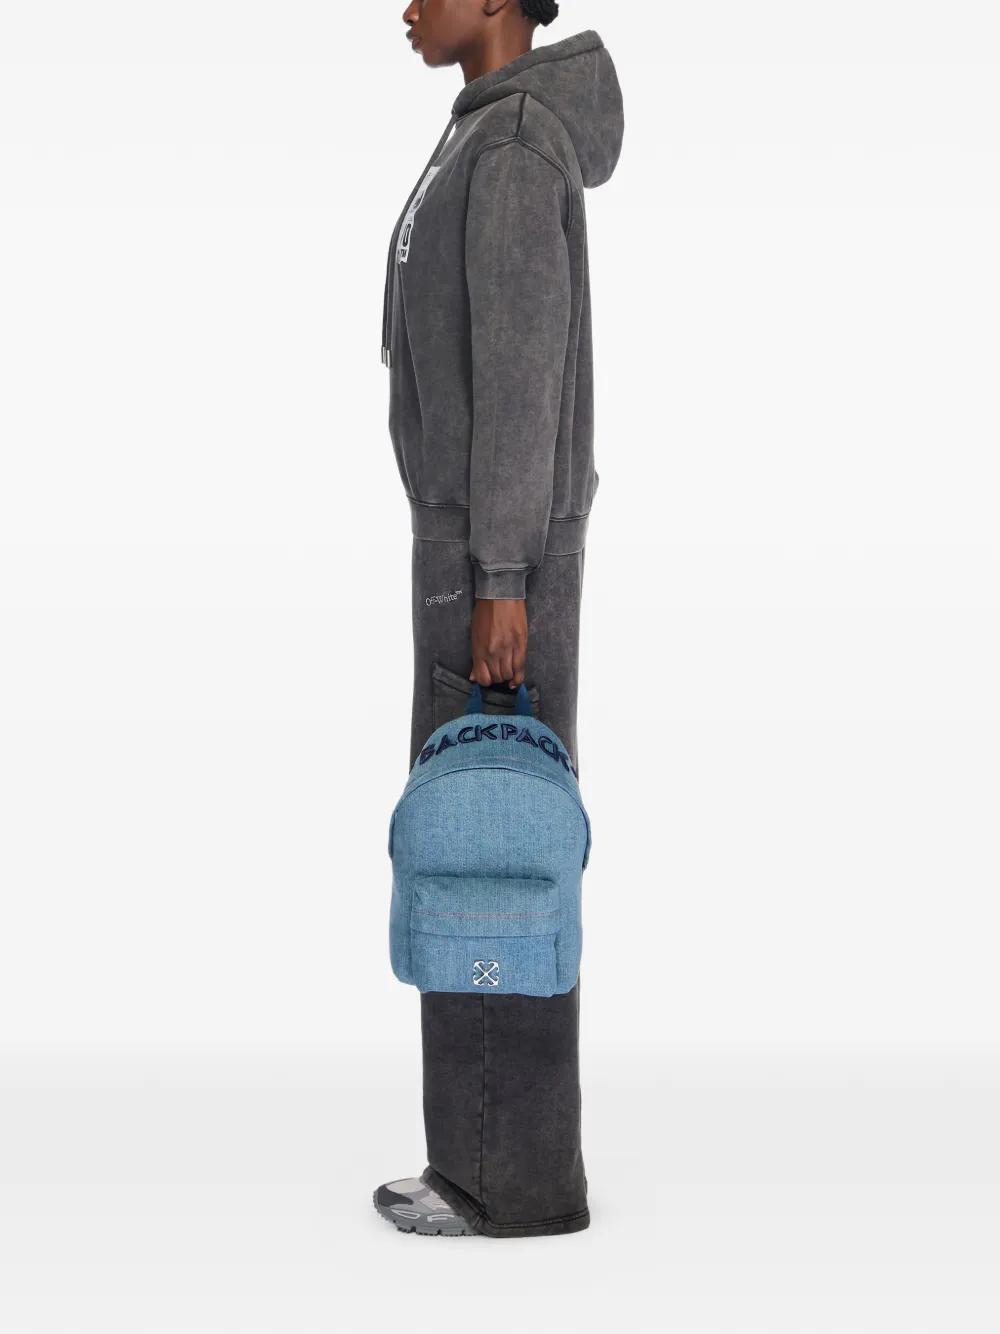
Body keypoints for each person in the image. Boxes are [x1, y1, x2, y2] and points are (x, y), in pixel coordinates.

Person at [373, 0, 624, 1239]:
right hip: (476, 542)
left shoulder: (514, 142)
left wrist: (503, 579)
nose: (406, 8)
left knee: (490, 845)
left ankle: (503, 1174)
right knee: (472, 841)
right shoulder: (485, 129)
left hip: (493, 549)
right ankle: (495, 1157)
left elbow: (522, 375)